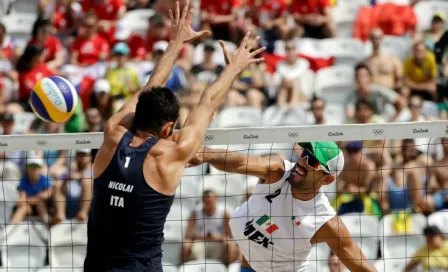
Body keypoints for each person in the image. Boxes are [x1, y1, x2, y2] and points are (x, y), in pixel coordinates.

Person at [83, 1, 265, 270]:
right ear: (168, 128)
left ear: (138, 113)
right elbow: (207, 103)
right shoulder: (171, 154)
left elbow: (150, 86)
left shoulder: (112, 134)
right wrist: (234, 67)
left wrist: (175, 42)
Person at [188, 141, 376, 271]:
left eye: (312, 161)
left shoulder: (325, 222)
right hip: (248, 268)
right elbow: (240, 162)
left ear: (327, 179)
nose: (302, 162)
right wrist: (207, 154)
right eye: (304, 154)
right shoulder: (278, 171)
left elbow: (361, 266)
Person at [182, 190, 237, 265]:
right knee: (186, 244)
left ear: (216, 200)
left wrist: (215, 237)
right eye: (207, 201)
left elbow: (229, 236)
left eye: (211, 201)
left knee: (230, 244)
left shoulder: (224, 213)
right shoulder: (195, 213)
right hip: (200, 242)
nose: (209, 203)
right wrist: (205, 237)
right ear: (202, 201)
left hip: (218, 243)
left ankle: (230, 267)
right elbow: (188, 235)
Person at [54, 149, 93, 224]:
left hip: (89, 199)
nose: (81, 157)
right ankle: (60, 215)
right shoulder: (72, 169)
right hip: (70, 197)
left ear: (90, 156)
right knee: (58, 184)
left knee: (87, 181)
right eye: (79, 155)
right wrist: (68, 176)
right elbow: (61, 177)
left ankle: (83, 214)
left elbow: (95, 179)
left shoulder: (94, 168)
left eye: (84, 155)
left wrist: (80, 176)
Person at [11, 158, 53, 224]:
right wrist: (37, 198)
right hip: (28, 207)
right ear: (27, 169)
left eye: (36, 167)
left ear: (40, 168)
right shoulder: (24, 181)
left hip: (43, 207)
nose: (34, 169)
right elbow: (22, 199)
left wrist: (30, 199)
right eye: (31, 167)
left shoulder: (45, 179)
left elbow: (47, 195)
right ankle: (11, 228)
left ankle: (48, 224)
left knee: (40, 204)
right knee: (23, 208)